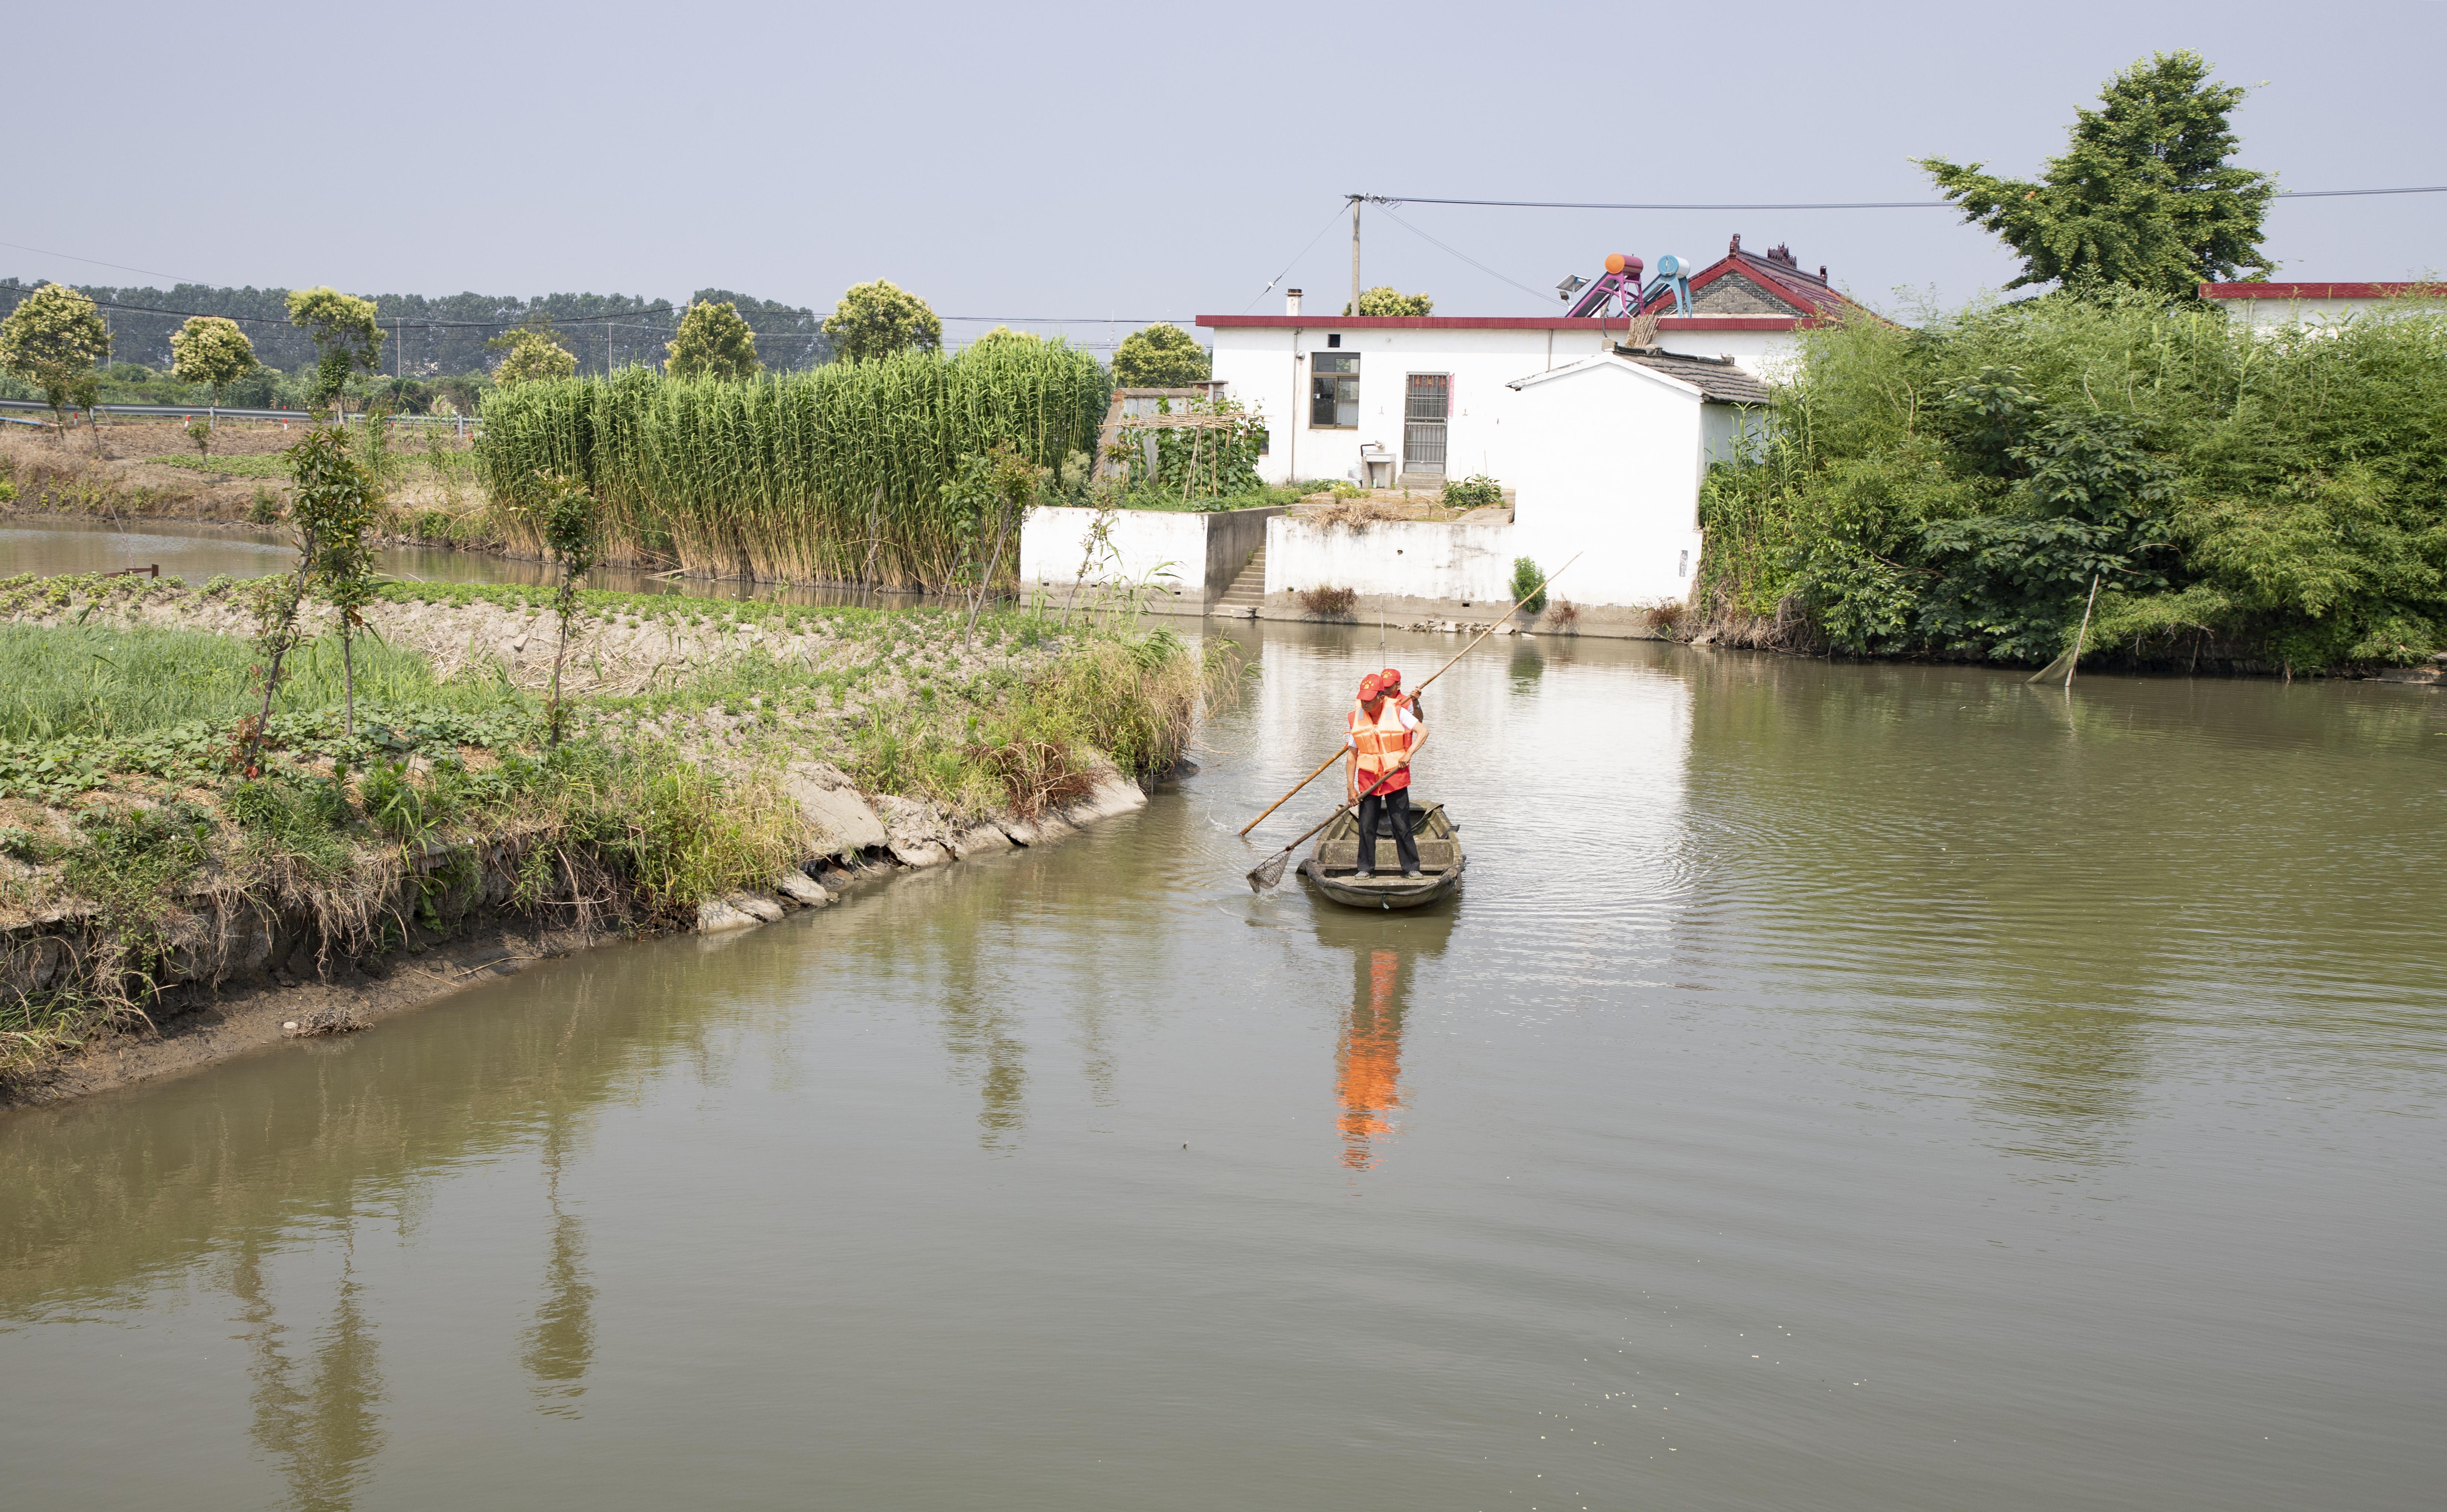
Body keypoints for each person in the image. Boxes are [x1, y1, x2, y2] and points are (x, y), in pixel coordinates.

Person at [1346, 670, 1427, 879]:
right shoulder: (1356, 717)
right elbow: (1352, 756)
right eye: (1363, 699)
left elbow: (1423, 731)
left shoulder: (1398, 711)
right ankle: (1365, 868)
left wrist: (1409, 753)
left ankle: (1411, 868)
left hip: (1395, 776)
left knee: (1401, 824)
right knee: (1366, 825)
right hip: (1368, 779)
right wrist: (1350, 787)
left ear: (1381, 698)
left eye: (1370, 700)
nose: (1365, 704)